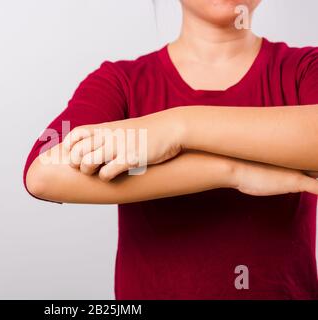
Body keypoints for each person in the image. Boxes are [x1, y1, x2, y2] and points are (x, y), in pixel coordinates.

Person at [24, 0, 318, 299]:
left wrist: (179, 127)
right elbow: (44, 174)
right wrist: (232, 171)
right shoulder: (122, 82)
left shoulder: (305, 69)